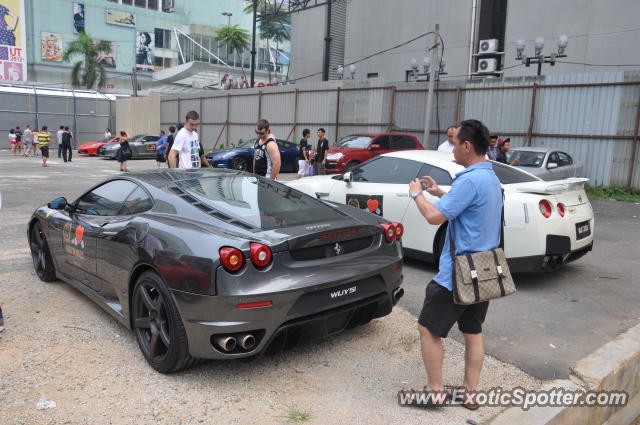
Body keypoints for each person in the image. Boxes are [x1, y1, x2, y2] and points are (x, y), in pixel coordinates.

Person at [403, 119, 502, 410]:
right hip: (484, 269)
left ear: (467, 146)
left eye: (455, 143)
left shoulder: (469, 179)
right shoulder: (489, 176)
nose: (453, 149)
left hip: (457, 273)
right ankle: (470, 394)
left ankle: (435, 392)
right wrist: (439, 193)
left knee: (428, 329)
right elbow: (469, 208)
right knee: (473, 331)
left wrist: (417, 195)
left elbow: (434, 217)